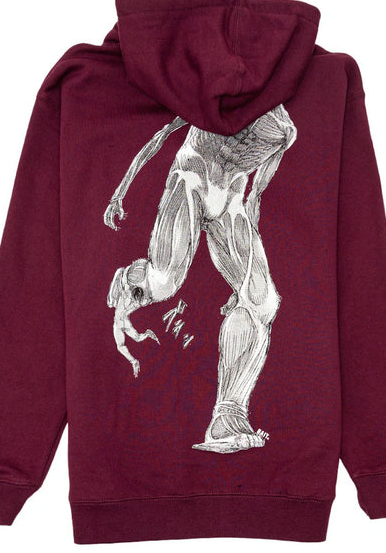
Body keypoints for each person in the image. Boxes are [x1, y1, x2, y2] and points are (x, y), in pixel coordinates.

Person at [104, 103, 296, 453]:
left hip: (231, 199)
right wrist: (120, 192)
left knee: (263, 302)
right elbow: (163, 134)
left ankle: (227, 416)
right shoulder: (208, 94)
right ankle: (131, 285)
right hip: (191, 178)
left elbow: (256, 194)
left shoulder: (285, 130)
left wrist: (240, 278)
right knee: (164, 282)